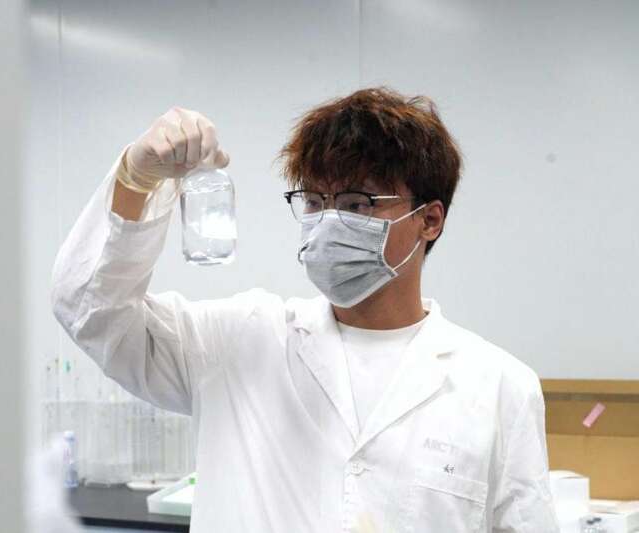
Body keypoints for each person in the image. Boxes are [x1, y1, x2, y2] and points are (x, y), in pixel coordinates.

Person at [51, 87, 560, 533]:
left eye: (358, 203)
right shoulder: (236, 342)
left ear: (429, 220)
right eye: (315, 202)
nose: (329, 222)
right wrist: (136, 179)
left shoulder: (499, 387)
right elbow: (88, 309)